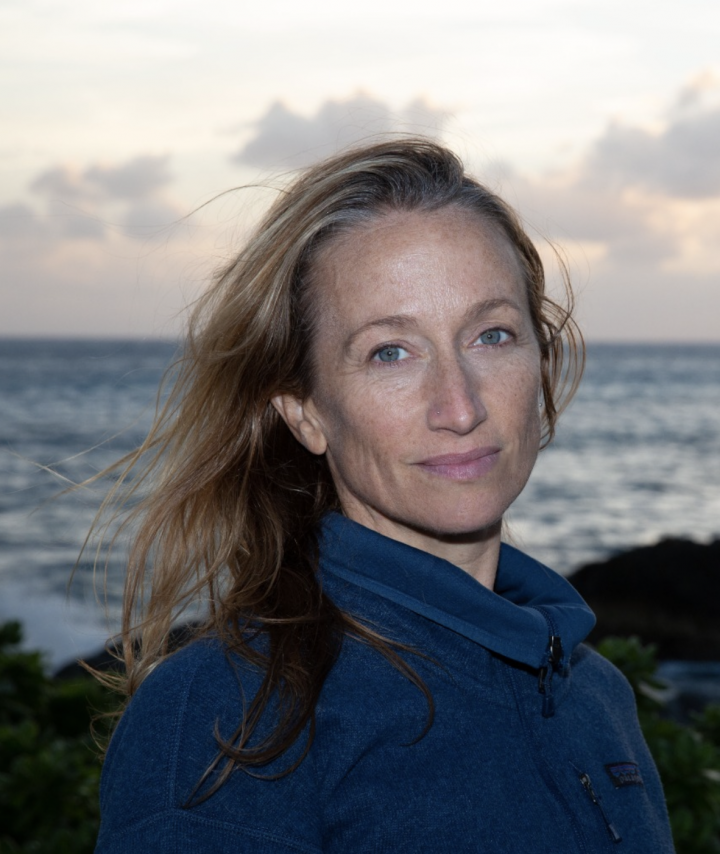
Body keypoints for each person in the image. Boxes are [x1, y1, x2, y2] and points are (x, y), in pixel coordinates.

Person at [93, 138, 675, 852]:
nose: (459, 407)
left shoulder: (596, 696)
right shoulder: (229, 715)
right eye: (390, 352)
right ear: (304, 411)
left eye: (492, 335)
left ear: (542, 363)